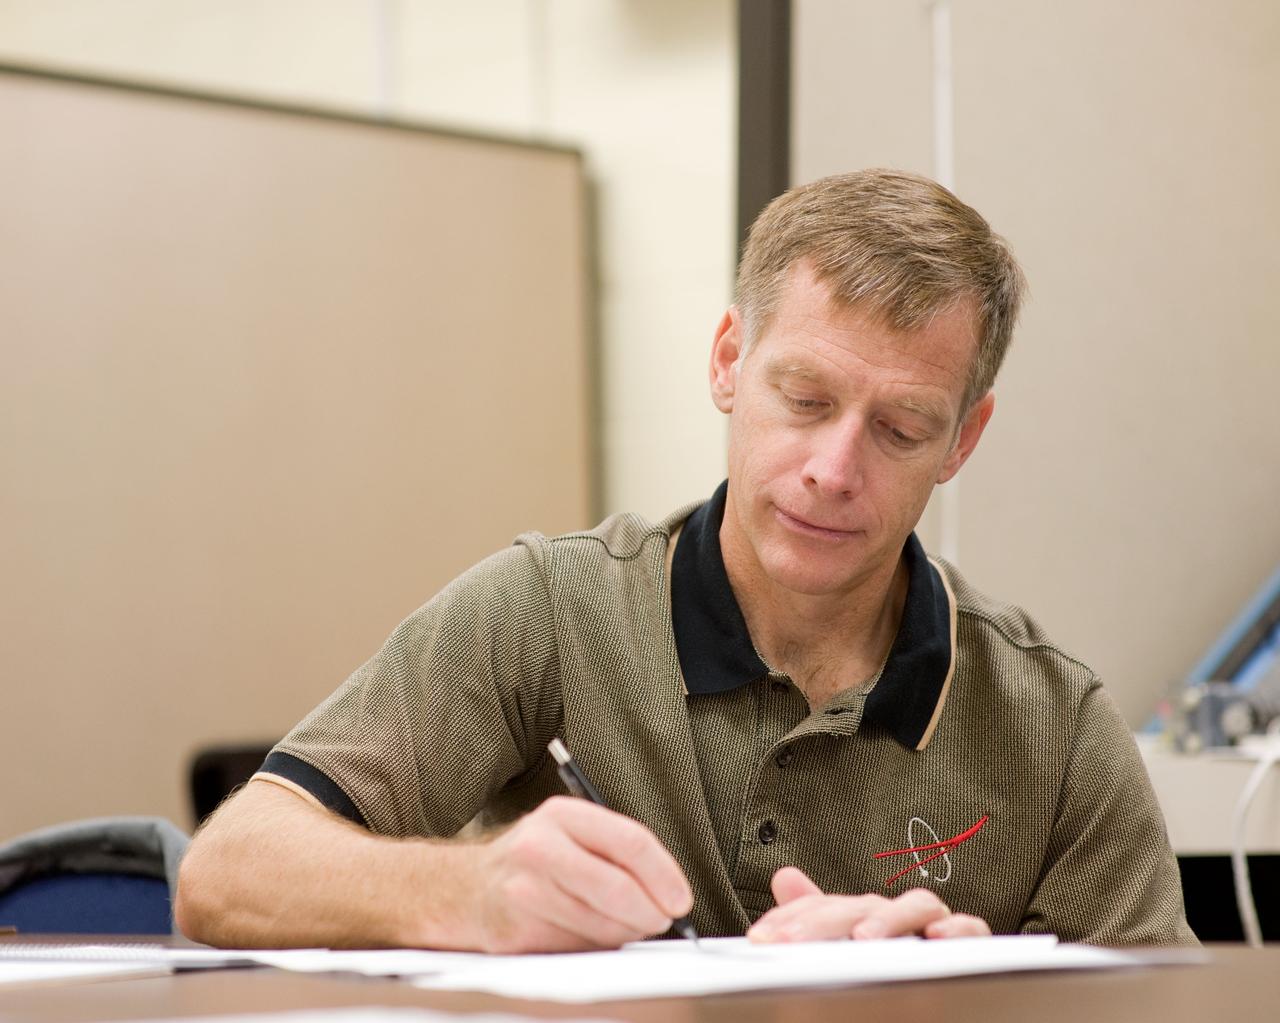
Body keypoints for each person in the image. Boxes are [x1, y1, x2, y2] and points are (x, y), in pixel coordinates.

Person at [176, 169, 1196, 952]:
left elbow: (1167, 1008)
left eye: (899, 429)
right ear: (726, 363)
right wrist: (469, 893)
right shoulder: (549, 610)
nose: (832, 470)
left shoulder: (1049, 723)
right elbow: (224, 872)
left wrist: (977, 998)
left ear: (962, 441)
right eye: (801, 400)